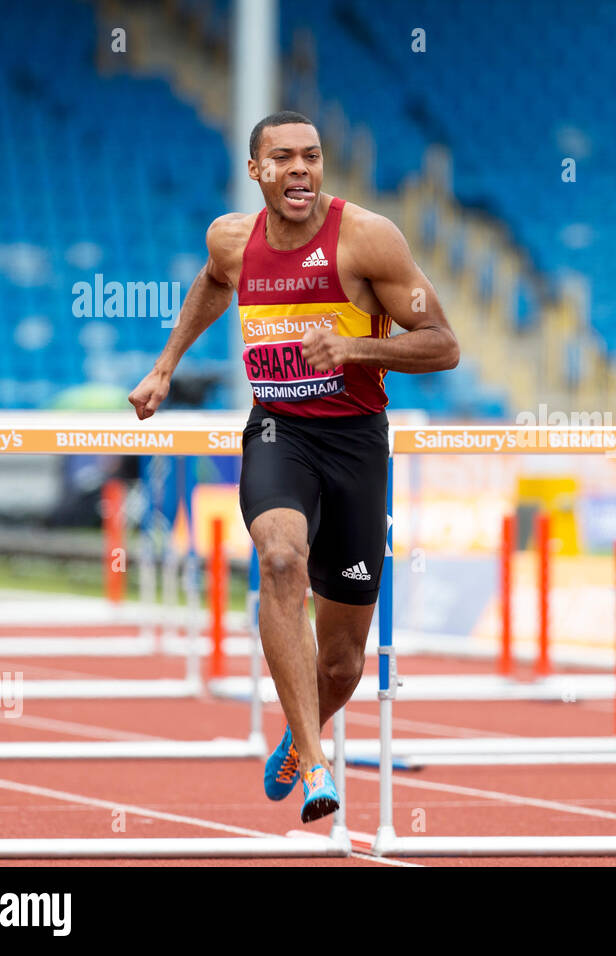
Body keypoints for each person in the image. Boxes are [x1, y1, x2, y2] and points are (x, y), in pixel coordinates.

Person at [128, 111, 459, 822]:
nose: (301, 169)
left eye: (311, 156)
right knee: (280, 559)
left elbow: (442, 343)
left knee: (342, 665)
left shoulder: (368, 238)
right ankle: (316, 761)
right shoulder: (231, 238)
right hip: (280, 431)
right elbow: (215, 282)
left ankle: (297, 733)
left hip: (357, 444)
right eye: (283, 158)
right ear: (257, 171)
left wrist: (355, 351)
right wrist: (165, 367)